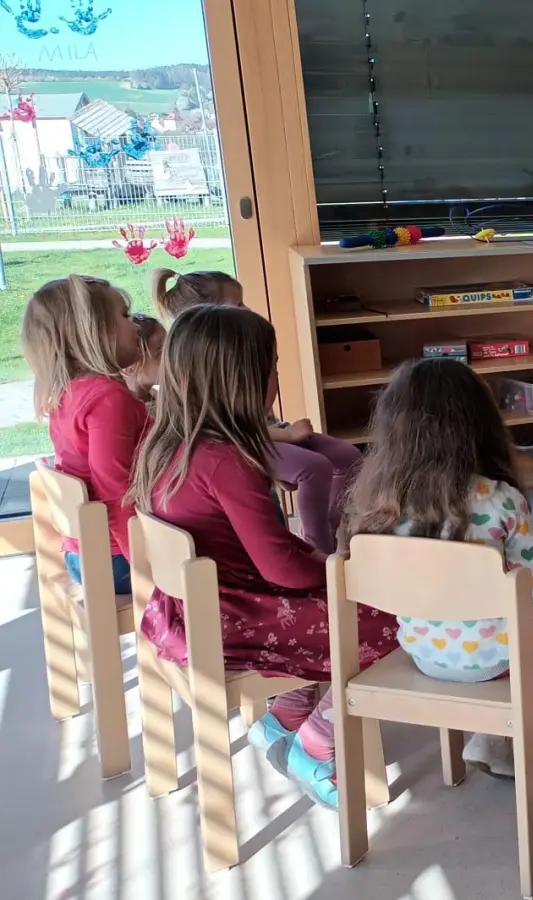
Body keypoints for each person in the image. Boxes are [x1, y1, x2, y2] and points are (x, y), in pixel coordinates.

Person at [129, 304, 397, 808]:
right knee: (394, 620)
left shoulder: (168, 445)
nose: (277, 377)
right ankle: (317, 746)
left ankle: (286, 714)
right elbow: (282, 569)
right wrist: (339, 568)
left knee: (348, 601)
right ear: (243, 380)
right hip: (238, 619)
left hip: (192, 611)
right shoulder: (227, 461)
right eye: (272, 367)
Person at [340, 358, 533, 778]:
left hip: (425, 651)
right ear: (479, 423)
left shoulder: (378, 505)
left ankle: (490, 739)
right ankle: (497, 734)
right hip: (498, 656)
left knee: (509, 589)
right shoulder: (500, 499)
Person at [152, 268, 362, 553]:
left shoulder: (244, 352)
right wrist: (287, 438)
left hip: (266, 433)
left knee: (347, 456)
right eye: (238, 304)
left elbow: (260, 413)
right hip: (235, 442)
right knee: (313, 468)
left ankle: (335, 532)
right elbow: (227, 429)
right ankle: (319, 548)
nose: (247, 309)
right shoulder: (204, 373)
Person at [21, 275, 147, 594]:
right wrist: (142, 561)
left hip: (84, 555)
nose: (137, 326)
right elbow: (115, 488)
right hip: (114, 561)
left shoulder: (68, 392)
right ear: (94, 332)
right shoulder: (107, 399)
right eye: (124, 316)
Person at [122, 313, 165, 404]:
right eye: (160, 350)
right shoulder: (134, 413)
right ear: (131, 367)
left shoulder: (160, 392)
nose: (172, 353)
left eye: (170, 343)